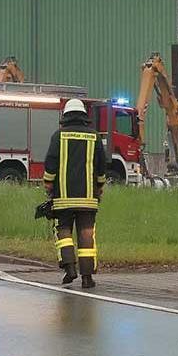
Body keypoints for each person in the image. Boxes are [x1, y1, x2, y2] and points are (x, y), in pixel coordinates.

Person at [42, 99, 107, 288]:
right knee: (87, 235)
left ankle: (69, 268)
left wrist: (48, 183)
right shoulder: (94, 137)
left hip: (63, 198)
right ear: (83, 116)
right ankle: (87, 278)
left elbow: (51, 162)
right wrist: (100, 185)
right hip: (88, 198)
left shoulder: (58, 136)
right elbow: (101, 165)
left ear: (66, 115)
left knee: (63, 231)